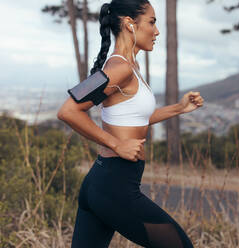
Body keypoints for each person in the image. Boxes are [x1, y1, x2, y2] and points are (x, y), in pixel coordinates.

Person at [57, 0, 204, 247]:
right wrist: (117, 145)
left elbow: (134, 119)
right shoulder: (118, 68)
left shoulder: (127, 67)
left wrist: (178, 108)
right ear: (129, 24)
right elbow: (68, 110)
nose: (156, 31)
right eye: (152, 22)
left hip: (103, 183)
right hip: (113, 186)